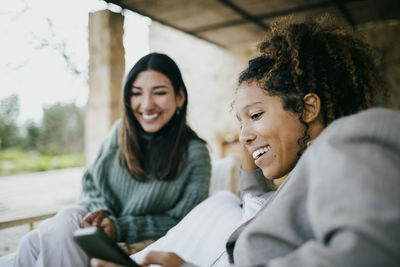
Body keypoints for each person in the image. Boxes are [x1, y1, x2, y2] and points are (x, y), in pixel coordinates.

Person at [92, 18, 399, 267]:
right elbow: (254, 194)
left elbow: (368, 251)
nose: (243, 135)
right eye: (239, 122)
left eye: (256, 114)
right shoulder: (286, 190)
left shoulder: (354, 137)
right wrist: (250, 130)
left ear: (307, 108)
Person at [13, 52, 212, 267]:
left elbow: (184, 221)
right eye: (136, 93)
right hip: (96, 228)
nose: (146, 105)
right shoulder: (120, 132)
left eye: (159, 93)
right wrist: (101, 215)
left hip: (133, 239)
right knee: (33, 241)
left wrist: (119, 227)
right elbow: (91, 185)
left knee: (48, 234)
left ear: (180, 97)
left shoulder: (195, 153)